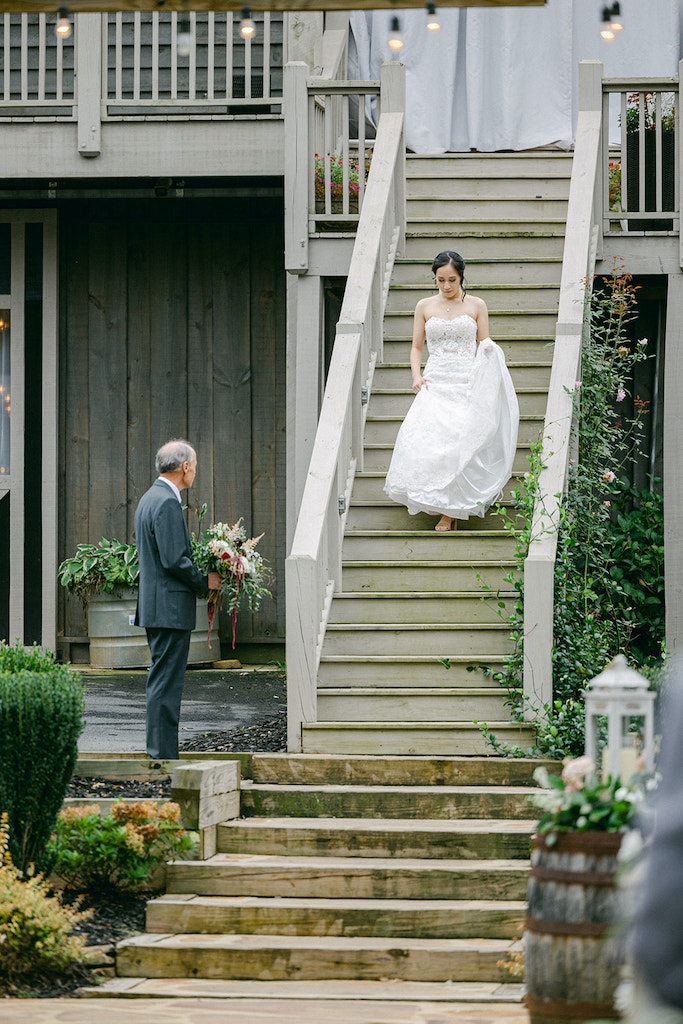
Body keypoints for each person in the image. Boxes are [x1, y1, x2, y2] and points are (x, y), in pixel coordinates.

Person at [383, 251, 519, 530]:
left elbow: (484, 345)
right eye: (441, 280)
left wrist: (491, 355)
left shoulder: (477, 305)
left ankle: (451, 512)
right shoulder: (424, 306)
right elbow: (416, 347)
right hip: (436, 380)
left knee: (461, 441)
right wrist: (416, 375)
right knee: (432, 440)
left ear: (462, 276)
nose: (446, 286)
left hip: (466, 381)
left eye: (452, 280)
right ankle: (440, 502)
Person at [134, 439, 220, 759]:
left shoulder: (148, 499)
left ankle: (160, 753)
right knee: (167, 685)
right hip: (169, 609)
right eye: (194, 466)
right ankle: (162, 757)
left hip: (156, 607)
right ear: (185, 467)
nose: (194, 472)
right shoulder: (167, 503)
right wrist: (204, 582)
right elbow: (174, 560)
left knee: (162, 682)